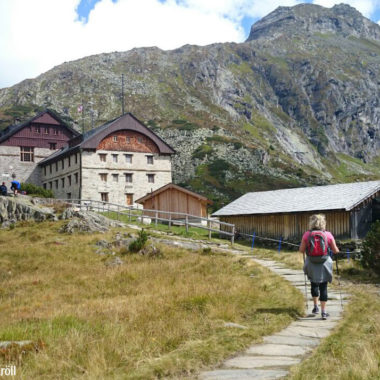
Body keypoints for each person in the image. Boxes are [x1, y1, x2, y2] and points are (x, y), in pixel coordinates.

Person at [299, 214, 339, 320]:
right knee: (323, 286)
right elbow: (335, 250)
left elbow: (301, 250)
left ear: (311, 223)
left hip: (311, 262)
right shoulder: (328, 235)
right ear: (323, 223)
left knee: (314, 284)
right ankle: (324, 312)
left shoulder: (307, 235)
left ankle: (316, 307)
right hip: (324, 263)